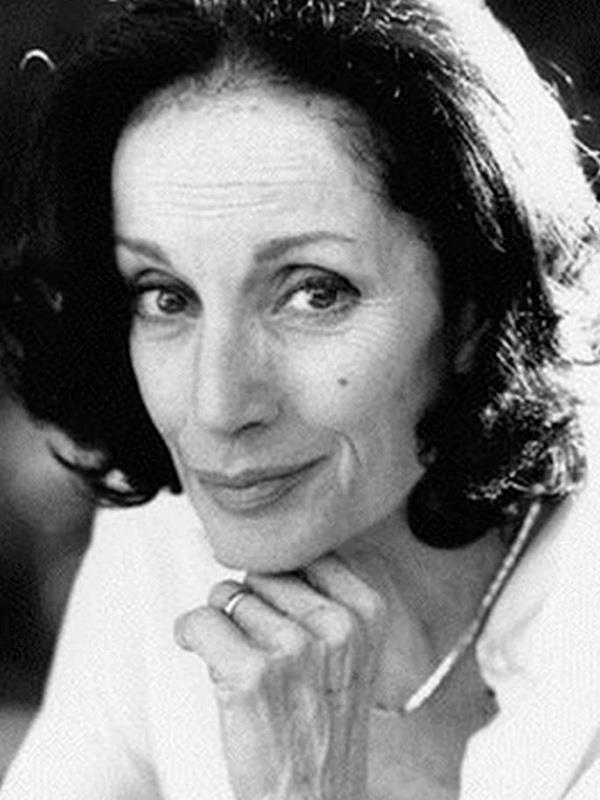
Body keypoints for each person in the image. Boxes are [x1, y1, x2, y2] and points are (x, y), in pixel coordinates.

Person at [1, 0, 600, 796]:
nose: (216, 409)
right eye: (166, 295)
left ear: (475, 310)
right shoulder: (169, 538)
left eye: (315, 292)